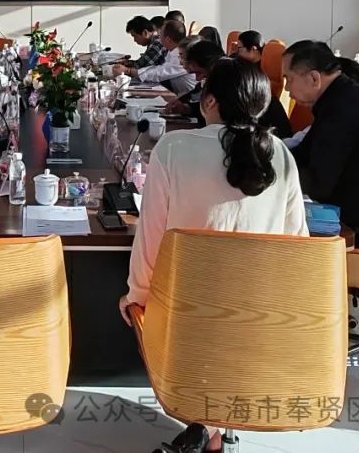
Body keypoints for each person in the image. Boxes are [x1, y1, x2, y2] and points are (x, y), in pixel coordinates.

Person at [119, 58, 308, 452]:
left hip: (187, 325)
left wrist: (137, 296)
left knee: (156, 310)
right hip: (261, 324)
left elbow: (150, 242)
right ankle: (212, 429)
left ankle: (207, 425)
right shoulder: (281, 155)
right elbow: (298, 251)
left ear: (208, 101)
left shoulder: (173, 149)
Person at [282, 40, 359, 255]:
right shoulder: (340, 98)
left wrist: (269, 175)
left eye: (289, 79)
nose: (286, 88)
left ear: (314, 78)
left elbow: (318, 183)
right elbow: (303, 154)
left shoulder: (343, 111)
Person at [115, 19, 195, 96]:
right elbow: (159, 68)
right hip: (181, 94)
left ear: (168, 39)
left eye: (160, 35)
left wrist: (128, 71)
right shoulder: (173, 51)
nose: (158, 37)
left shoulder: (181, 55)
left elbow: (159, 73)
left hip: (191, 98)